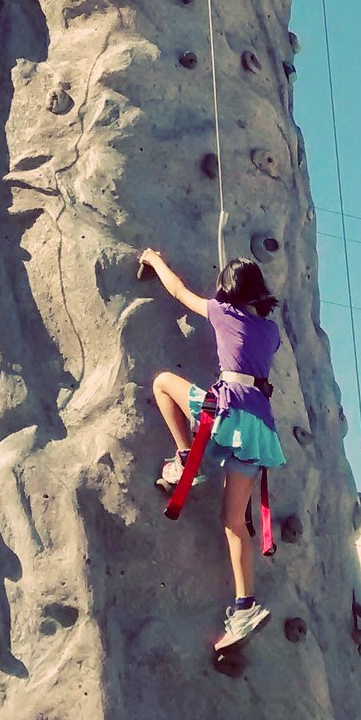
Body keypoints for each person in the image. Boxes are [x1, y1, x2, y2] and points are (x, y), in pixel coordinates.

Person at [139, 249, 286, 652]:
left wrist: (154, 260)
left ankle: (186, 457)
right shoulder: (271, 332)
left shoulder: (223, 313)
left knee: (163, 382)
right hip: (259, 429)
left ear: (228, 292)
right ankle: (245, 606)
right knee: (232, 520)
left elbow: (179, 291)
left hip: (227, 412)